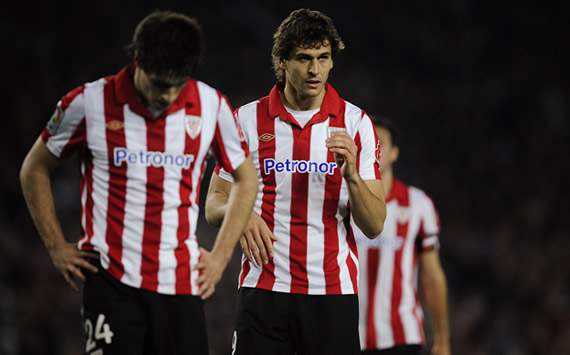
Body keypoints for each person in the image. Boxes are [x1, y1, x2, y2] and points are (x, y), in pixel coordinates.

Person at [19, 10, 258, 355]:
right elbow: (34, 168)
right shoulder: (88, 103)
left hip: (180, 282)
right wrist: (56, 246)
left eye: (178, 84)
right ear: (136, 60)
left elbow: (246, 178)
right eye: (160, 84)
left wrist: (221, 256)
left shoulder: (210, 105)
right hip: (111, 283)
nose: (168, 95)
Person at [205, 8, 386, 355]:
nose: (315, 69)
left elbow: (375, 224)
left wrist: (352, 177)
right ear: (283, 62)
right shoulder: (246, 120)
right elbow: (214, 204)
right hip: (264, 292)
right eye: (304, 58)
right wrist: (241, 213)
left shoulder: (356, 123)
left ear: (333, 61)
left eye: (323, 57)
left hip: (332, 295)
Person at [356, 117, 451, 355]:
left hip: (401, 336)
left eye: (381, 143)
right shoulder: (343, 203)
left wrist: (442, 339)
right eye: (368, 142)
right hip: (348, 336)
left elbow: (432, 276)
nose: (374, 149)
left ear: (395, 153)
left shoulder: (418, 205)